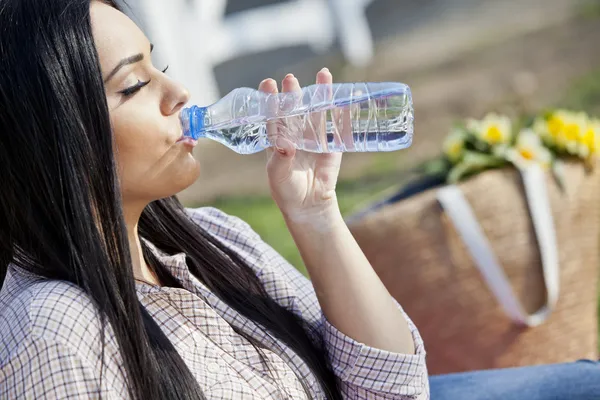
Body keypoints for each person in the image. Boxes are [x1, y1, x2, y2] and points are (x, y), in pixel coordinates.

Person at [0, 1, 598, 400]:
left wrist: (316, 215)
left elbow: (394, 388)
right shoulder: (55, 331)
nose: (179, 91)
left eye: (161, 66)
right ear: (50, 138)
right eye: (135, 85)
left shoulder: (215, 240)